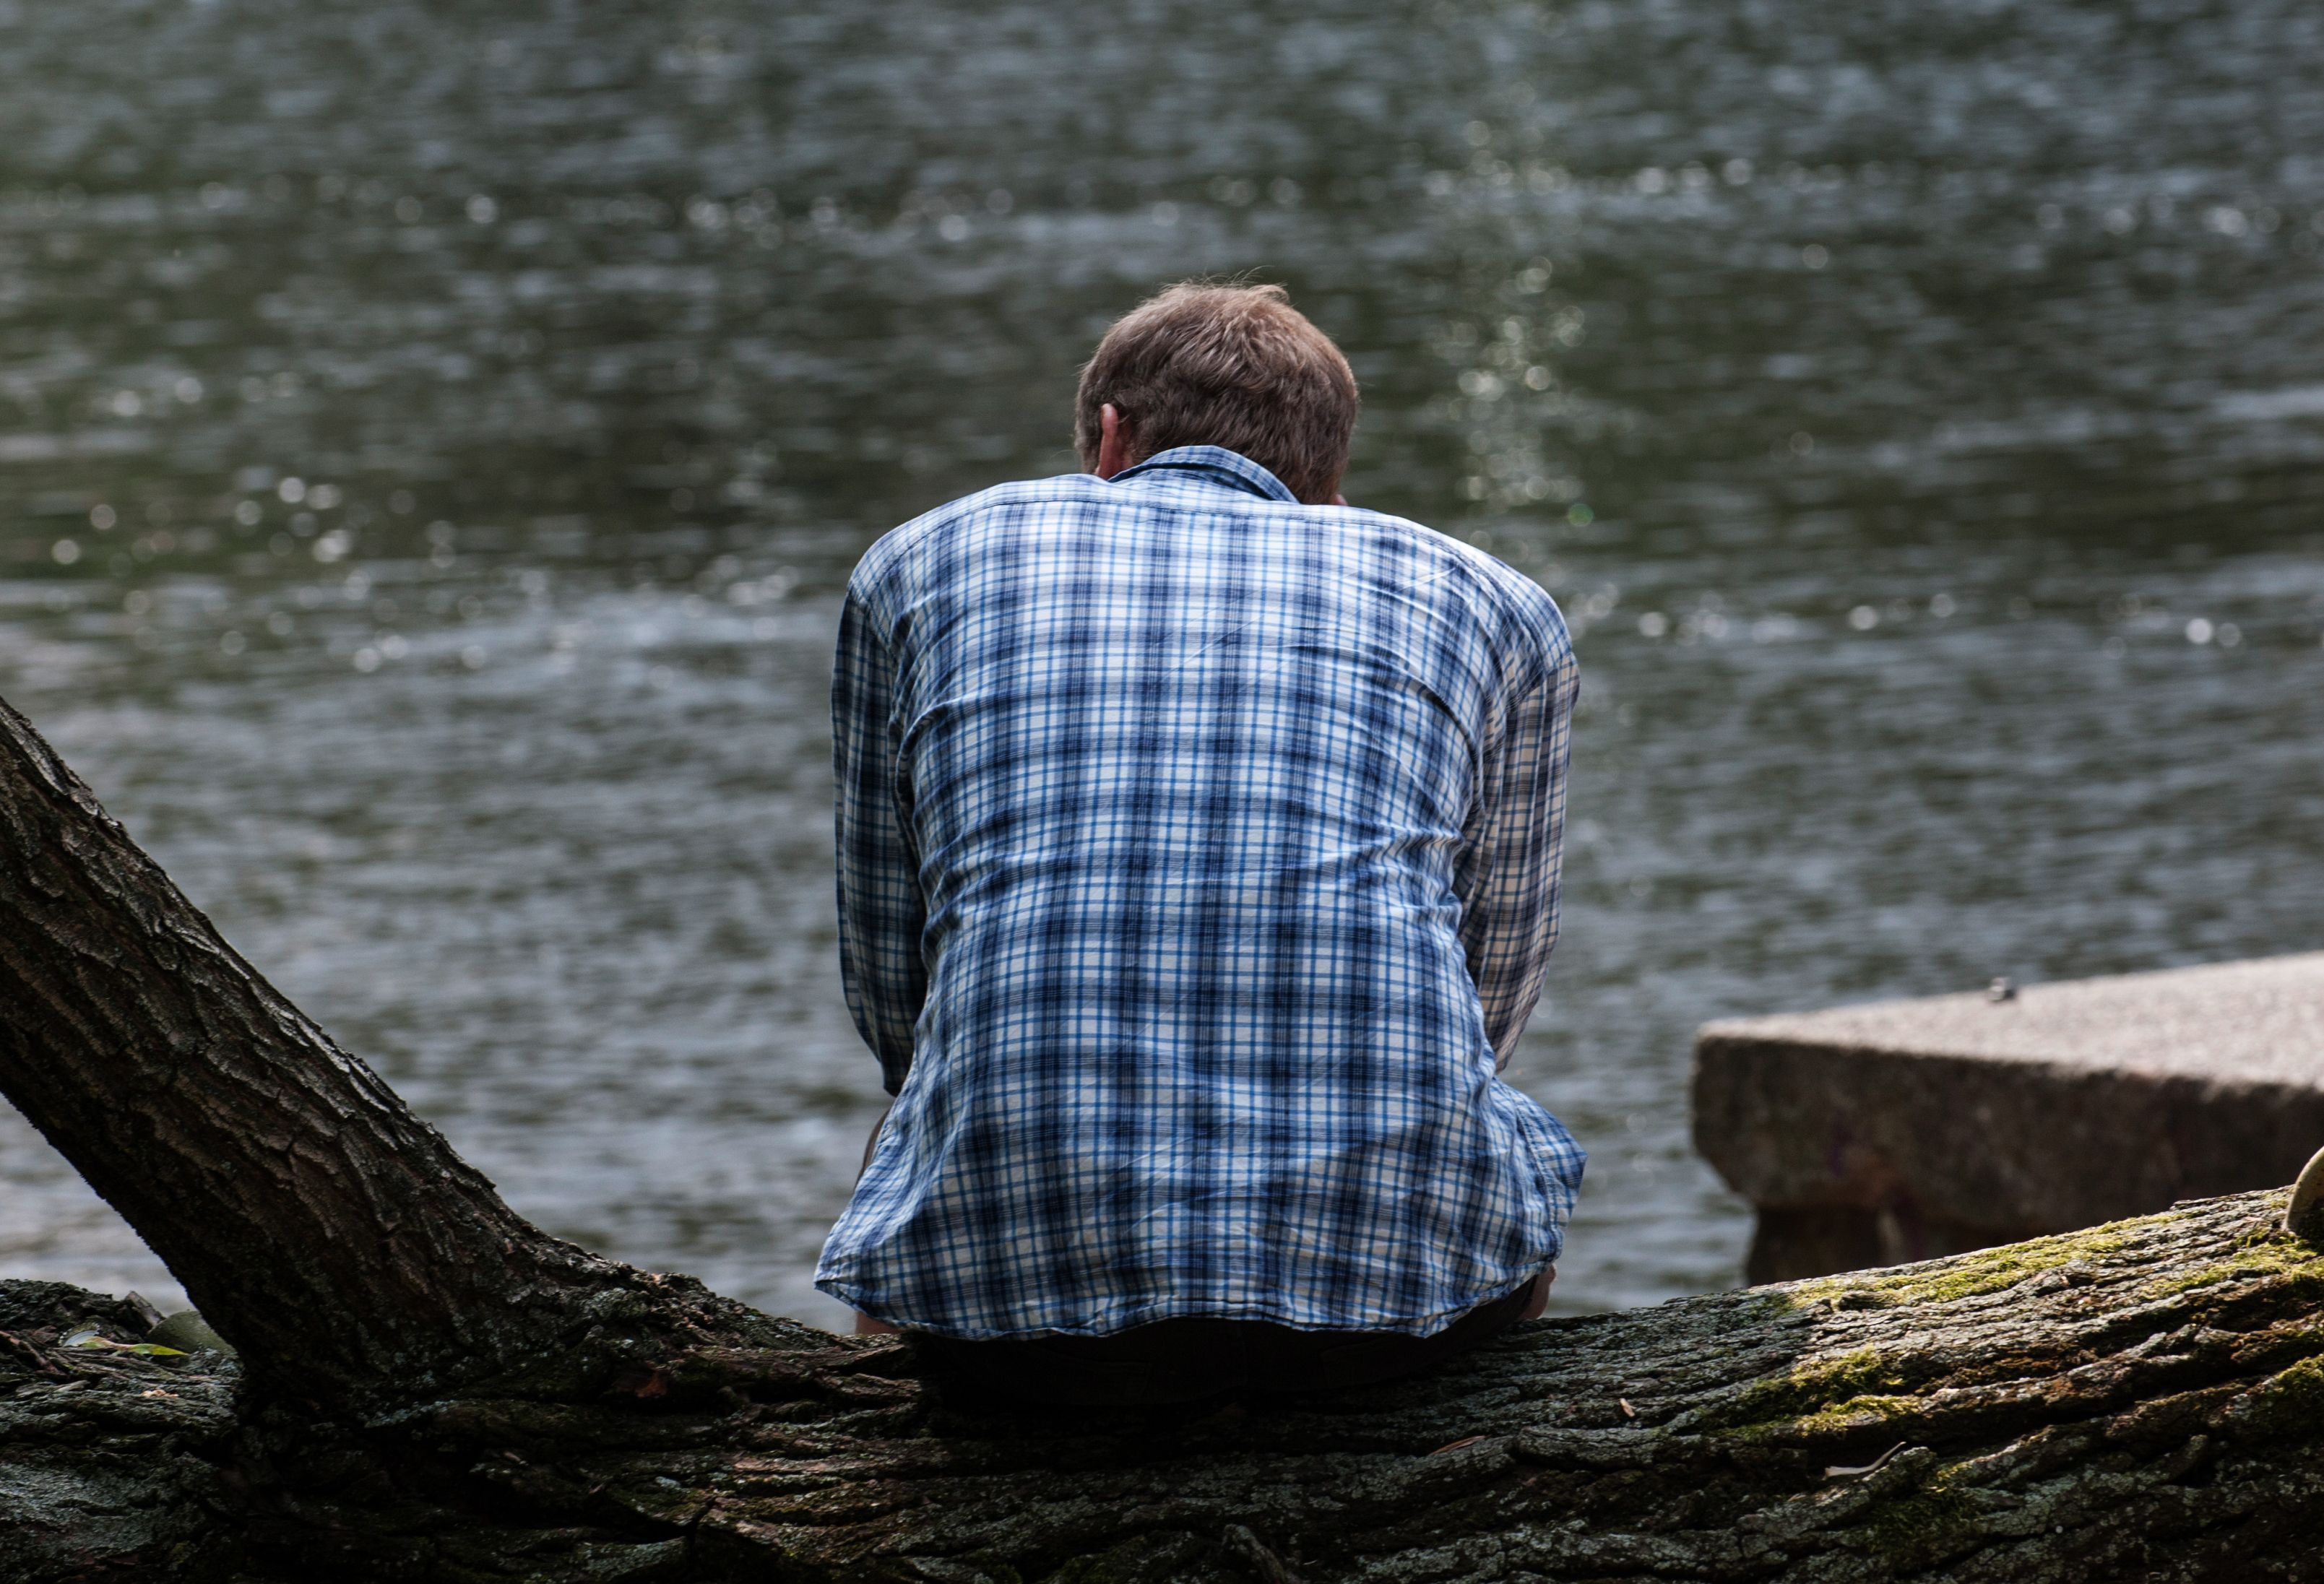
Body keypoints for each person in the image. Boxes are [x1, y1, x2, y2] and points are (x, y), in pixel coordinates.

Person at [815, 281, 1584, 1407]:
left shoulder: (918, 561)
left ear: (1111, 438)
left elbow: (894, 984)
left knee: (924, 1124)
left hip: (1002, 1321)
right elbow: (1489, 991)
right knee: (1505, 1146)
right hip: (1385, 1318)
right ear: (1327, 484)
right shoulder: (1496, 601)